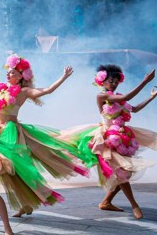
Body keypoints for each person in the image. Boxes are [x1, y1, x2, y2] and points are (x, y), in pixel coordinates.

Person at [0, 54, 86, 217]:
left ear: (21, 76)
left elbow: (47, 90)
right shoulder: (1, 89)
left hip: (11, 133)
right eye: (8, 72)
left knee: (13, 169)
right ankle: (14, 204)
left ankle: (25, 203)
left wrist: (63, 77)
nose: (9, 74)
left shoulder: (24, 91)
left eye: (14, 73)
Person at [64, 65, 157, 219]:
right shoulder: (101, 96)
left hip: (122, 137)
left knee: (124, 172)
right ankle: (135, 206)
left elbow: (134, 108)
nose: (113, 83)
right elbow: (126, 98)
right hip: (107, 139)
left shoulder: (118, 97)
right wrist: (145, 81)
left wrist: (152, 97)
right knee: (121, 172)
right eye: (110, 81)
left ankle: (106, 202)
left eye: (115, 81)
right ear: (103, 82)